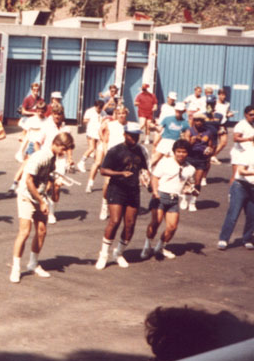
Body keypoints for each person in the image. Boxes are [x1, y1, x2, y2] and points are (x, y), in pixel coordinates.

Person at [10, 131, 74, 283]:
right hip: (26, 196)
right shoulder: (42, 156)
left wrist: (55, 180)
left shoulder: (52, 157)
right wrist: (42, 201)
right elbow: (28, 181)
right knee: (24, 232)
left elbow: (46, 176)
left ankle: (33, 264)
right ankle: (16, 268)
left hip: (39, 196)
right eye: (63, 149)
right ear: (56, 144)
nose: (64, 153)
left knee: (42, 231)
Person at [95, 122, 150, 270]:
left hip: (133, 190)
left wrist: (148, 180)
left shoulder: (142, 150)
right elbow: (103, 170)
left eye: (137, 136)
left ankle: (118, 253)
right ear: (125, 135)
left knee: (130, 224)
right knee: (114, 221)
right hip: (117, 188)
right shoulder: (115, 151)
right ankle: (104, 254)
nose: (135, 138)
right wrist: (120, 173)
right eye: (132, 136)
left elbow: (145, 168)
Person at [141, 139, 195, 260]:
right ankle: (147, 246)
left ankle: (160, 247)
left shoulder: (190, 169)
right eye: (178, 151)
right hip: (160, 195)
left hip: (174, 199)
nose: (181, 154)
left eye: (184, 152)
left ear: (188, 153)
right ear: (174, 152)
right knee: (155, 223)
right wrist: (155, 192)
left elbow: (188, 184)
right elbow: (155, 178)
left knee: (172, 227)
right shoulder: (165, 162)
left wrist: (188, 190)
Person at [217, 148, 254, 251]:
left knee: (252, 215)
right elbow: (241, 171)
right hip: (240, 186)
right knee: (233, 213)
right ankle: (223, 239)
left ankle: (247, 239)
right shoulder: (248, 153)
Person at [184, 112, 215, 212]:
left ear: (203, 122)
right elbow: (185, 146)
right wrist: (192, 140)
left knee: (197, 182)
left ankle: (193, 201)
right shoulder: (189, 131)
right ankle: (185, 198)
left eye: (200, 121)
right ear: (193, 121)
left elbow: (211, 146)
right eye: (196, 120)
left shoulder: (208, 132)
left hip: (201, 159)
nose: (198, 122)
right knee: (187, 180)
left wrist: (210, 151)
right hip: (190, 158)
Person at [150, 102, 189, 169]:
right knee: (156, 158)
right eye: (177, 110)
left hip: (176, 143)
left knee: (174, 162)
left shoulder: (185, 123)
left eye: (180, 111)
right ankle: (147, 170)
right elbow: (159, 129)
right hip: (165, 140)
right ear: (175, 110)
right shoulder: (167, 118)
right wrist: (153, 127)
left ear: (183, 112)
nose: (178, 112)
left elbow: (186, 135)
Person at [77, 99, 104, 173]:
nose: (100, 109)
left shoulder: (103, 112)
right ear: (95, 106)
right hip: (91, 132)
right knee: (92, 148)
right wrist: (90, 121)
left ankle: (97, 165)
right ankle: (81, 162)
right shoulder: (90, 111)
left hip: (98, 133)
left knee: (98, 150)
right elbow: (84, 120)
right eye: (98, 108)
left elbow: (106, 119)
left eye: (101, 108)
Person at [230, 105, 254, 182]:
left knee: (245, 177)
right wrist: (249, 139)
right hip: (238, 153)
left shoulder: (252, 124)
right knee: (236, 176)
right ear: (245, 114)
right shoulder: (241, 125)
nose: (253, 116)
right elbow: (236, 138)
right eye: (251, 115)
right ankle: (231, 194)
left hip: (247, 153)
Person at [211, 89, 233, 164]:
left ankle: (213, 156)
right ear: (218, 95)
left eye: (224, 95)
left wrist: (229, 114)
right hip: (214, 124)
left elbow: (226, 112)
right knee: (212, 143)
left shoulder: (227, 104)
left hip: (223, 124)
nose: (223, 96)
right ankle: (209, 157)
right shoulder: (214, 103)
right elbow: (210, 112)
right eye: (221, 95)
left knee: (223, 142)